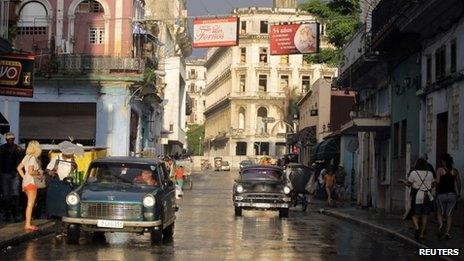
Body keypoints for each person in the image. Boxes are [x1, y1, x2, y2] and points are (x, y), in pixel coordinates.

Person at [399, 158, 435, 240]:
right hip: (428, 195)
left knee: (415, 214)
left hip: (418, 195)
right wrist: (427, 189)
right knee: (425, 215)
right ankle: (422, 234)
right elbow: (433, 184)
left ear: (417, 164)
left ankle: (417, 227)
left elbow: (409, 184)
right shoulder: (429, 173)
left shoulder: (414, 173)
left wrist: (402, 181)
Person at [16, 140, 43, 232]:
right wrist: (38, 173)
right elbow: (31, 171)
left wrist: (24, 177)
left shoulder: (27, 157)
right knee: (30, 204)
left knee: (30, 203)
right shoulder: (32, 158)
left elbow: (19, 168)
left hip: (26, 182)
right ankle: (27, 224)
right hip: (31, 182)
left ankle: (28, 222)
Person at [436, 153, 461, 239]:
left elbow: (438, 182)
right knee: (449, 214)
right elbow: (458, 183)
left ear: (443, 161)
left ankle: (441, 225)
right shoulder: (455, 171)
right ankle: (447, 233)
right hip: (452, 195)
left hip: (441, 195)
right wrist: (459, 193)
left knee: (439, 212)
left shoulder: (440, 170)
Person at [0, 132, 24, 222]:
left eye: (12, 139)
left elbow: (22, 162)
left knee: (15, 195)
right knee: (6, 196)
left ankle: (15, 214)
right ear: (6, 140)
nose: (10, 141)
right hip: (5, 174)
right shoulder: (2, 148)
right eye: (9, 139)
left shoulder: (18, 149)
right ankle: (7, 215)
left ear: (14, 139)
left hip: (14, 174)